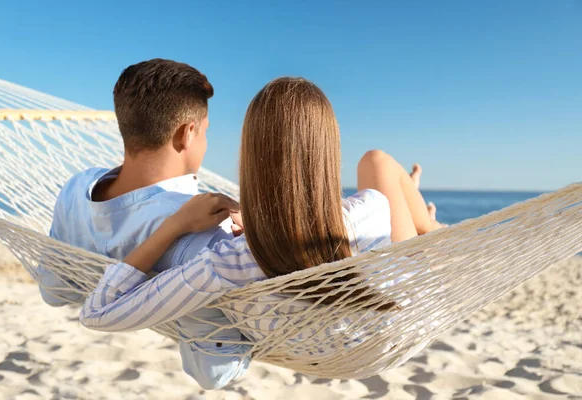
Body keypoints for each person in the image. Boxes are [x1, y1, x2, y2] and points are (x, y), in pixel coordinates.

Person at [78, 77, 443, 378]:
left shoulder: (229, 261)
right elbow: (324, 217)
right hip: (401, 324)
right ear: (328, 151)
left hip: (326, 350)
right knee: (377, 161)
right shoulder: (370, 210)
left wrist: (175, 226)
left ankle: (423, 216)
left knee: (386, 185)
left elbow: (98, 312)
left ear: (250, 156)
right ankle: (429, 221)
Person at [36, 59, 251, 389]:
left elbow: (53, 290)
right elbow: (213, 372)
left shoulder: (77, 189)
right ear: (187, 133)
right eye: (205, 131)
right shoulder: (202, 232)